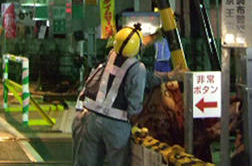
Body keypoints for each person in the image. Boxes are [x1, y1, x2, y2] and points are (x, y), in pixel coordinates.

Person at [72, 24, 182, 166]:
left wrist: (156, 36)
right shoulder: (138, 67)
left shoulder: (112, 55)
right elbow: (135, 105)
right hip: (116, 124)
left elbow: (133, 46)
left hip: (91, 118)